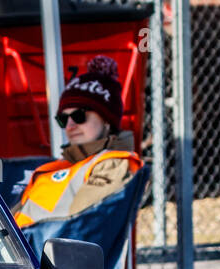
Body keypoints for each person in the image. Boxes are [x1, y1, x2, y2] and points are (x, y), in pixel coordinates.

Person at [13, 56, 143, 227]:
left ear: (106, 120)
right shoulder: (58, 167)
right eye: (63, 119)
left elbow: (79, 226)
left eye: (79, 116)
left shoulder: (114, 164)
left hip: (43, 251)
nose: (70, 125)